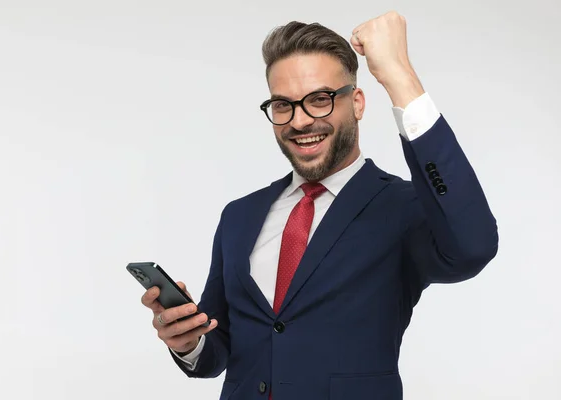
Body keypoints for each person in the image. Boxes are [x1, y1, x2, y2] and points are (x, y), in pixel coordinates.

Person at [140, 11, 498, 400]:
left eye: (320, 100)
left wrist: (399, 76)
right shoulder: (239, 216)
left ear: (357, 103)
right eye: (283, 105)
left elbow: (473, 246)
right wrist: (188, 342)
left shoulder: (403, 207)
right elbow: (220, 348)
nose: (300, 121)